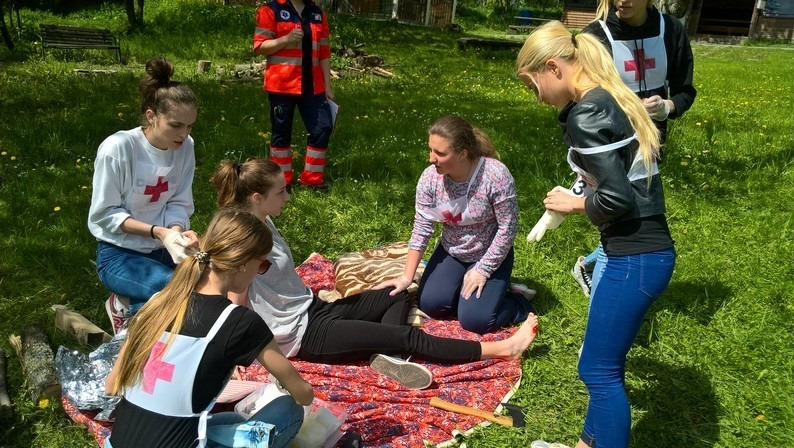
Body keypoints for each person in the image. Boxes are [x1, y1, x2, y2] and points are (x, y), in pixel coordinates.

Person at [211, 157, 539, 390]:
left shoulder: (261, 219)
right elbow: (235, 298)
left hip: (313, 308)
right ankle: (502, 349)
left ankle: (387, 355)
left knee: (398, 291)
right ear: (257, 198)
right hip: (301, 334)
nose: (288, 196)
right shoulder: (247, 238)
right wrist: (234, 355)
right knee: (407, 336)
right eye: (281, 191)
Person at [516, 22, 676, 448]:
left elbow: (616, 198)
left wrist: (571, 204)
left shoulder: (588, 112)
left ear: (553, 68)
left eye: (533, 86)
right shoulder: (608, 98)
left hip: (634, 258)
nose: (538, 98)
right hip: (640, 252)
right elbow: (616, 181)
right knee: (601, 365)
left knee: (598, 371)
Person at [104, 209, 314, 448]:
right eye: (262, 264)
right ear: (244, 263)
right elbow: (303, 394)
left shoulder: (156, 303)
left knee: (232, 420)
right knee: (289, 409)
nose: (259, 272)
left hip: (118, 443)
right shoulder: (239, 322)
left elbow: (111, 385)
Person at [570, 0, 696, 296]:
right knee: (616, 207)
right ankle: (602, 284)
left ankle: (591, 266)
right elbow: (576, 93)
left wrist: (667, 107)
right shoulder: (595, 35)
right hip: (607, 144)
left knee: (635, 211)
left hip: (651, 141)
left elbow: (685, 90)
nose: (622, 1)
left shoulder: (671, 30)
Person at [378, 115, 533, 335]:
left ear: (463, 153)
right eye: (430, 150)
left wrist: (483, 269)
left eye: (440, 153)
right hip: (452, 251)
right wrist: (406, 276)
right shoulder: (430, 179)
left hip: (490, 253)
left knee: (475, 321)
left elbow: (508, 228)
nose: (431, 158)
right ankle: (476, 294)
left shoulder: (495, 176)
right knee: (430, 305)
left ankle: (517, 303)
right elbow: (422, 227)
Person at [88, 58, 200, 334]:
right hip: (119, 254)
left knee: (202, 285)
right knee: (173, 291)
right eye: (176, 125)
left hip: (162, 250)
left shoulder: (185, 147)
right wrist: (159, 232)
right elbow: (105, 214)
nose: (184, 134)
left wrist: (175, 234)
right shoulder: (118, 148)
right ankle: (130, 314)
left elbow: (178, 201)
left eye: (189, 126)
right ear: (151, 116)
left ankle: (127, 307)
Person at [253, 0, 334, 190]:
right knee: (281, 132)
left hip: (313, 85)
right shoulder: (270, 10)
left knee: (323, 126)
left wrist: (328, 86)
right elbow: (259, 47)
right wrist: (285, 39)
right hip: (281, 84)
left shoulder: (317, 13)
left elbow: (324, 52)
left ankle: (312, 180)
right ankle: (282, 181)